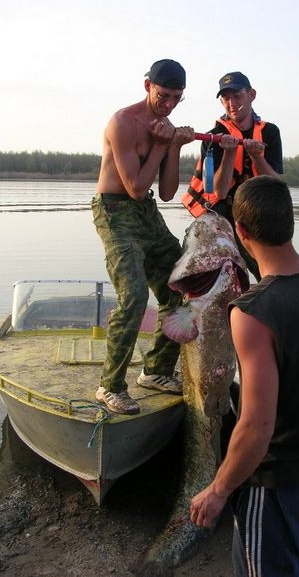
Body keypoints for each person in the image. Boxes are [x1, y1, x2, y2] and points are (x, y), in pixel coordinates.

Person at [190, 176, 299, 576]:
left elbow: (256, 427)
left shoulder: (253, 313)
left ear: (241, 232)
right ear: (290, 222)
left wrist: (218, 491)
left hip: (278, 484)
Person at [92, 59, 195, 414]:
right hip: (114, 212)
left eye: (176, 99)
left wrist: (175, 147)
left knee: (182, 288)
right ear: (147, 85)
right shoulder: (123, 122)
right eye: (163, 95)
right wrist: (161, 145)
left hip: (147, 213)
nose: (167, 105)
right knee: (134, 295)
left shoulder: (164, 126)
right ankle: (110, 386)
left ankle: (156, 371)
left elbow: (165, 193)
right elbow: (135, 187)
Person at [182, 71, 283, 280]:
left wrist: (257, 157)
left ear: (251, 95)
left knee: (271, 274)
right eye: (226, 98)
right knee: (226, 279)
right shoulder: (213, 137)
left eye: (237, 96)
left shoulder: (270, 132)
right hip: (223, 217)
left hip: (255, 215)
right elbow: (218, 190)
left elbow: (275, 183)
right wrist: (229, 153)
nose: (231, 103)